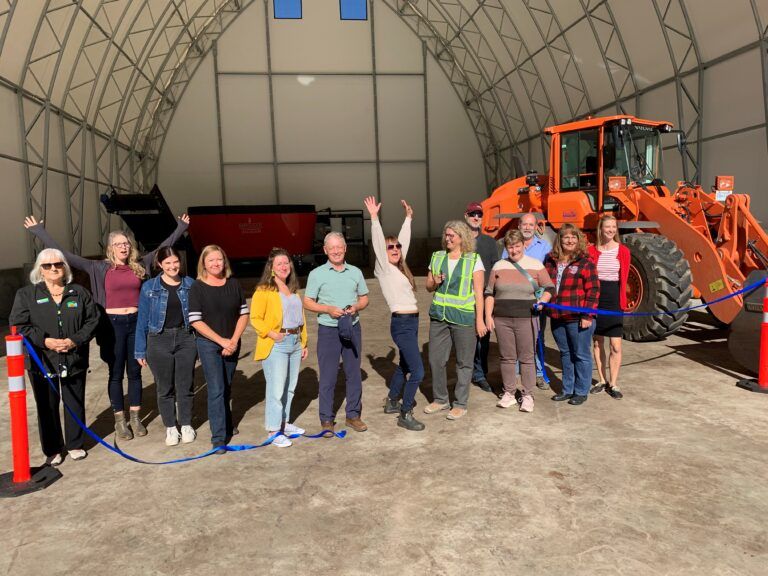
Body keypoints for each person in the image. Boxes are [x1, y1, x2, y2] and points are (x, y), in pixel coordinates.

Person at [24, 214, 189, 440]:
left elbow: (165, 248)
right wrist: (39, 231)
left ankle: (135, 417)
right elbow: (66, 255)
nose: (123, 247)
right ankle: (120, 420)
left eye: (126, 243)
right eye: (118, 244)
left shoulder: (140, 265)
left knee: (135, 372)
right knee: (115, 373)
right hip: (111, 326)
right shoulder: (97, 267)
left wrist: (181, 227)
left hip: (137, 324)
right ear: (111, 248)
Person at [9, 249, 99, 464]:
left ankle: (75, 444)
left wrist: (74, 340)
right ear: (39, 269)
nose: (53, 269)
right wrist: (45, 341)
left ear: (65, 267)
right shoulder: (26, 295)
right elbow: (19, 324)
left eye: (58, 264)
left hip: (73, 356)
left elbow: (92, 320)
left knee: (74, 401)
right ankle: (53, 449)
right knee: (46, 405)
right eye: (47, 266)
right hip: (42, 359)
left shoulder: (79, 292)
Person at [363, 196, 425, 432]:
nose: (396, 249)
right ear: (382, 252)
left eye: (397, 246)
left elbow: (404, 242)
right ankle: (405, 412)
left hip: (412, 321)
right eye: (391, 247)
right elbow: (380, 243)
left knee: (405, 365)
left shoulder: (400, 268)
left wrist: (408, 219)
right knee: (418, 371)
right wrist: (374, 218)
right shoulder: (384, 269)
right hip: (401, 323)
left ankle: (391, 400)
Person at [304, 232, 370, 434]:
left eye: (339, 247)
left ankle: (353, 415)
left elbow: (364, 298)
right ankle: (326, 419)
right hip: (328, 331)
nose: (335, 251)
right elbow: (307, 302)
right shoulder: (316, 274)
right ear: (325, 250)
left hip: (352, 327)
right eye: (331, 248)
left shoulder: (356, 272)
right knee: (328, 375)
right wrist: (328, 309)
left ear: (345, 248)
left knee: (353, 373)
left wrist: (356, 307)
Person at [188, 245, 249, 454]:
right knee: (216, 389)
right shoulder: (197, 287)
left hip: (232, 342)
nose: (215, 264)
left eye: (219, 260)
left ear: (225, 262)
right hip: (208, 344)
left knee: (227, 385)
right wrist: (222, 341)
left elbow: (243, 314)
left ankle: (226, 421)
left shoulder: (233, 284)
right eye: (211, 260)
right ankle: (218, 438)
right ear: (203, 263)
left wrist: (233, 340)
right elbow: (195, 321)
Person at [134, 246, 197, 447]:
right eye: (167, 263)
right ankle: (171, 427)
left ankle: (186, 424)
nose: (172, 266)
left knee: (185, 385)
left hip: (186, 338)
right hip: (158, 339)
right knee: (164, 387)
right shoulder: (149, 287)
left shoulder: (190, 284)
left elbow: (198, 317)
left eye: (175, 262)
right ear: (160, 264)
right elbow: (142, 320)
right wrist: (139, 349)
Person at [485, 230, 554, 413]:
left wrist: (543, 301)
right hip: (502, 319)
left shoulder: (535, 264)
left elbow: (549, 287)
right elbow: (489, 292)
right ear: (506, 248)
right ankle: (509, 392)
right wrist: (487, 316)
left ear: (524, 245)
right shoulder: (499, 266)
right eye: (510, 247)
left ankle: (528, 395)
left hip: (527, 318)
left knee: (526, 358)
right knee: (507, 357)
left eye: (517, 246)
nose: (514, 250)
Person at [424, 220, 487, 420]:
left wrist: (480, 320)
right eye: (446, 235)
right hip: (439, 317)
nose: (448, 238)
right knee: (436, 360)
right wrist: (434, 282)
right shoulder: (437, 257)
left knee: (464, 362)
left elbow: (479, 293)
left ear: (462, 238)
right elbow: (428, 286)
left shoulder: (473, 259)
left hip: (463, 317)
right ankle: (441, 399)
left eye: (452, 235)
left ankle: (460, 403)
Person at [250, 248, 309, 447]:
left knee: (290, 387)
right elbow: (255, 318)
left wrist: (303, 342)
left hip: (294, 340)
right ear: (272, 268)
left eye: (286, 263)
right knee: (276, 389)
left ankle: (284, 422)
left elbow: (301, 319)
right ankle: (273, 430)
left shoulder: (293, 290)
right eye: (279, 264)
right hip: (277, 343)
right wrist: (272, 333)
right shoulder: (264, 290)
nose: (284, 267)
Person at [544, 224, 599, 405]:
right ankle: (567, 389)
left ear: (579, 240)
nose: (569, 240)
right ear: (559, 240)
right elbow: (545, 285)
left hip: (577, 317)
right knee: (565, 354)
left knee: (581, 354)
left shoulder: (585, 262)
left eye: (573, 237)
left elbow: (593, 291)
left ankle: (581, 391)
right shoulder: (550, 260)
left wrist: (587, 315)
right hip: (557, 316)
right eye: (566, 237)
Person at [501, 213, 553, 389]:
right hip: (515, 300)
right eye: (525, 224)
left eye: (531, 225)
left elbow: (548, 275)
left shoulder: (545, 247)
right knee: (515, 339)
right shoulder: (509, 247)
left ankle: (538, 373)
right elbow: (503, 271)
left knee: (537, 337)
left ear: (536, 226)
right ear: (519, 225)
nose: (528, 228)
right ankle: (516, 374)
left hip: (536, 301)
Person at [588, 215, 629, 399]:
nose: (611, 230)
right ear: (600, 229)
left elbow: (625, 279)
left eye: (614, 227)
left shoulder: (623, 251)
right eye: (607, 227)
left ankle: (614, 383)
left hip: (613, 298)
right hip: (596, 297)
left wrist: (624, 301)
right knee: (597, 342)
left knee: (616, 345)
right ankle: (602, 379)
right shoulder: (591, 251)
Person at [464, 202, 499, 392]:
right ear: (466, 216)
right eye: (472, 214)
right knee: (464, 338)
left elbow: (495, 269)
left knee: (483, 337)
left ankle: (480, 374)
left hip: (484, 296)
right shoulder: (459, 241)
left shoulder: (489, 242)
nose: (476, 217)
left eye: (479, 214)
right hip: (463, 298)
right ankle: (466, 373)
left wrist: (493, 294)